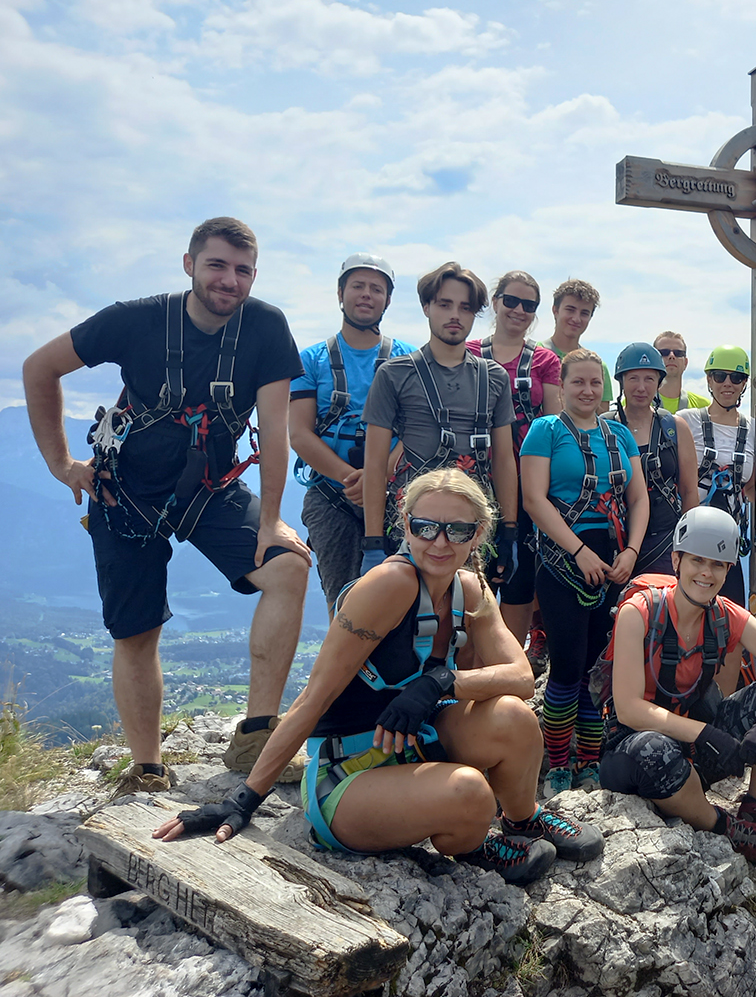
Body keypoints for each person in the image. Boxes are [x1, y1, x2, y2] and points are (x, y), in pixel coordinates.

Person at [153, 468, 604, 885]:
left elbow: (521, 677)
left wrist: (441, 684)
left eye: (458, 530)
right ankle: (476, 844)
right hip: (346, 776)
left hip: (413, 747)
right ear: (404, 525)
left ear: (478, 534)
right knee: (471, 794)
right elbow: (313, 698)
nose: (440, 542)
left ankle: (522, 821)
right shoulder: (389, 586)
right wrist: (242, 800)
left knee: (515, 719)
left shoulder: (470, 589)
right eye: (425, 526)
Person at [23, 217, 312, 796]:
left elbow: (276, 433)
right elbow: (39, 367)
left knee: (287, 568)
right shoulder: (135, 319)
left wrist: (274, 519)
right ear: (189, 264)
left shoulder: (265, 327)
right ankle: (148, 766)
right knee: (136, 631)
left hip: (209, 487)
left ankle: (256, 736)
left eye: (242, 270)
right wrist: (61, 465)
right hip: (123, 491)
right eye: (217, 265)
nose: (229, 280)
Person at [599, 506, 756, 866]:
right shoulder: (639, 611)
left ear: (728, 569)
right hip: (631, 748)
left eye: (717, 564)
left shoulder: (725, 615)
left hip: (694, 745)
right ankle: (727, 828)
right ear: (676, 560)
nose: (706, 572)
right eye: (697, 560)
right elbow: (630, 709)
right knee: (656, 750)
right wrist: (706, 736)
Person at [522, 349, 650, 797]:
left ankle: (589, 760)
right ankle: (559, 764)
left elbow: (638, 497)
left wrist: (631, 551)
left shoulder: (619, 435)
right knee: (566, 667)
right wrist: (578, 551)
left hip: (612, 563)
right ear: (561, 385)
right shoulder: (545, 431)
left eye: (595, 383)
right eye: (578, 382)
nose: (588, 391)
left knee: (598, 669)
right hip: (563, 564)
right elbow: (534, 499)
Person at [361, 262, 518, 590]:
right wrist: (373, 541)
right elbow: (375, 464)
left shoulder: (495, 378)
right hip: (415, 525)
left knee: (469, 623)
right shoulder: (394, 374)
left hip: (473, 526)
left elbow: (504, 459)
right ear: (426, 307)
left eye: (465, 307)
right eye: (445, 305)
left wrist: (509, 531)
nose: (455, 315)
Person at [291, 253, 416, 614]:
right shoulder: (310, 361)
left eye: (376, 289)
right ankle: (346, 672)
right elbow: (298, 434)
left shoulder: (409, 359)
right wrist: (355, 480)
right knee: (345, 603)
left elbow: (418, 426)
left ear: (387, 300)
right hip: (332, 495)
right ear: (340, 293)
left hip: (397, 494)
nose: (366, 295)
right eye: (357, 286)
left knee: (405, 601)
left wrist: (380, 476)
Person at [466, 271, 563, 646]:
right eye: (511, 301)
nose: (519, 310)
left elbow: (553, 423)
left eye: (529, 305)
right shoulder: (470, 353)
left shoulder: (544, 360)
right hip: (474, 477)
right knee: (475, 569)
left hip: (527, 482)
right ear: (495, 302)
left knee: (520, 573)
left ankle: (510, 663)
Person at [677, 346, 756, 606]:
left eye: (736, 378)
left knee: (729, 610)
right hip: (688, 533)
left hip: (727, 538)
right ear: (708, 380)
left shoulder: (755, 429)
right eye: (719, 376)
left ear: (744, 384)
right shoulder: (685, 421)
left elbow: (750, 489)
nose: (727, 384)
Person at [605, 343, 700, 574]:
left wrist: (687, 546)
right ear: (622, 382)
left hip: (665, 541)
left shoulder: (674, 427)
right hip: (616, 539)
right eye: (633, 378)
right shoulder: (606, 427)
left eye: (649, 379)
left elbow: (689, 491)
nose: (641, 387)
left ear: (658, 383)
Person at [541, 279, 612, 411]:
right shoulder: (535, 356)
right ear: (555, 310)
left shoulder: (597, 366)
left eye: (584, 313)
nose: (576, 319)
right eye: (570, 310)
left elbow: (602, 418)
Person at [653, 331, 710, 413]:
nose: (671, 356)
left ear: (685, 363)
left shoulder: (703, 406)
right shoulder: (633, 404)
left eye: (678, 353)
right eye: (664, 352)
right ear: (654, 361)